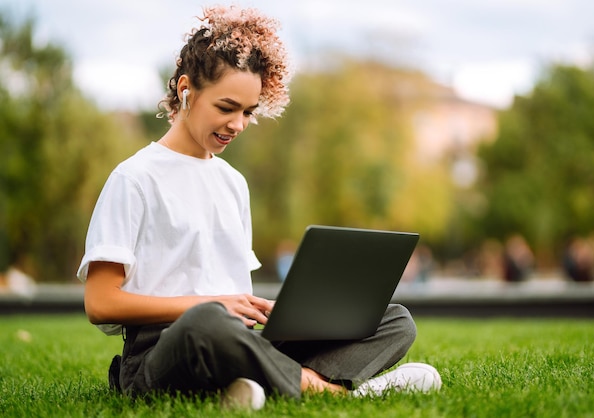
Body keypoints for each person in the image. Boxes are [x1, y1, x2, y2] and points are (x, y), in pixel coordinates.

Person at [77, 5, 441, 410]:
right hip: (165, 350)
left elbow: (231, 290)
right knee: (206, 323)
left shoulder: (233, 183)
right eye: (226, 107)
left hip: (237, 336)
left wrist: (276, 312)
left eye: (248, 112)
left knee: (394, 320)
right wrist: (208, 305)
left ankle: (256, 385)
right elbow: (101, 303)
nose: (238, 124)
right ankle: (327, 387)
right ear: (186, 90)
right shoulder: (135, 178)